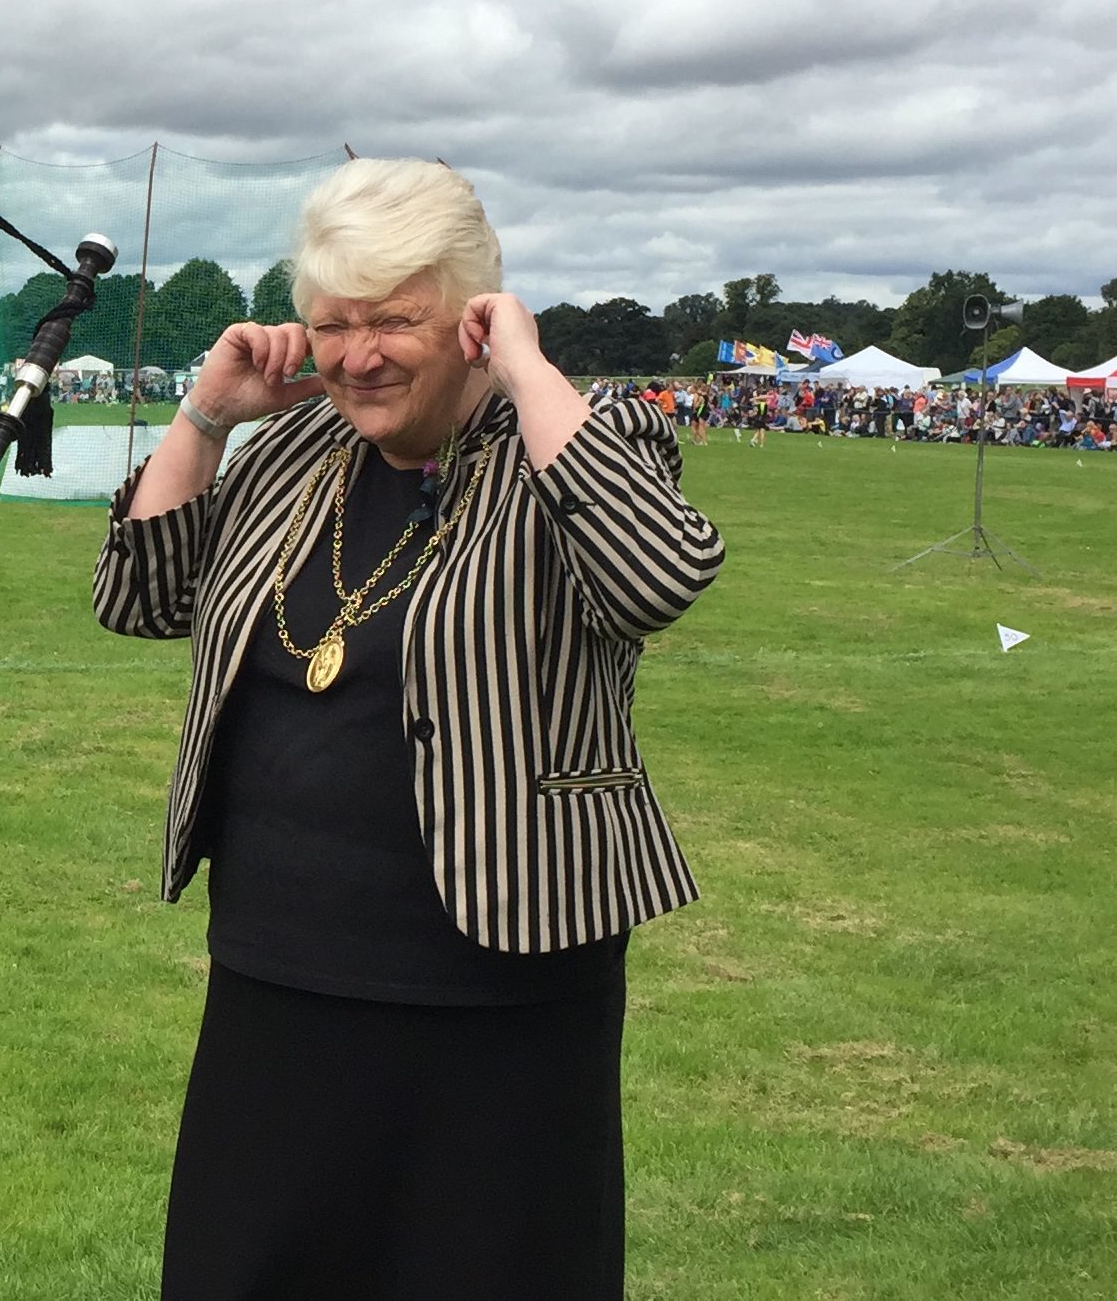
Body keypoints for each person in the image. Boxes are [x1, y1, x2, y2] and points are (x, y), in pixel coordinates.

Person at [92, 159, 724, 1299]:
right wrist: (205, 415)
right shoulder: (294, 447)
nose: (357, 353)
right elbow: (137, 597)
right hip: (280, 967)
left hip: (502, 976)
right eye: (331, 323)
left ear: (474, 314)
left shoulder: (576, 439)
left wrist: (526, 367)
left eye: (395, 319)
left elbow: (655, 575)